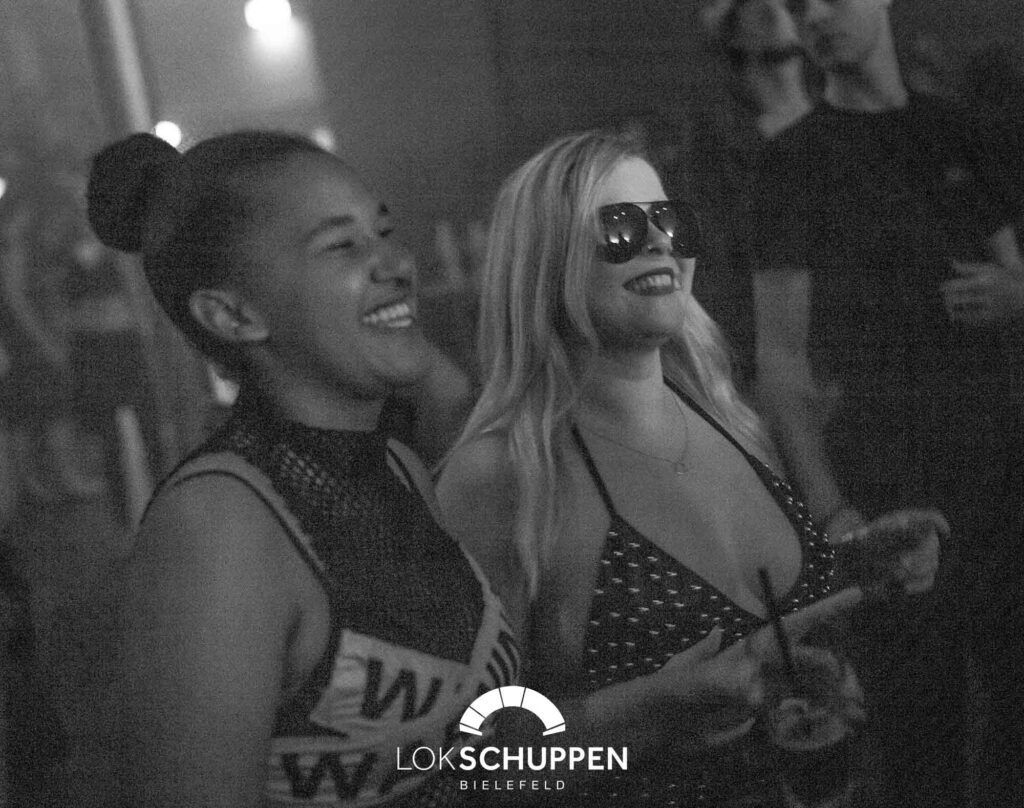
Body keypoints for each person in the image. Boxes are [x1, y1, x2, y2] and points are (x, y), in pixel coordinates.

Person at [436, 129, 939, 806]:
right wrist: (653, 710)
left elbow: (753, 624)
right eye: (620, 226)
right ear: (546, 262)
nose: (659, 242)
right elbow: (467, 766)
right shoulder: (504, 473)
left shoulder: (721, 411)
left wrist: (850, 566)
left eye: (671, 221)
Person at [85, 130, 519, 808]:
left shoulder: (396, 466)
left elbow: (466, 764)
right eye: (342, 246)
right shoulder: (221, 529)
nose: (396, 262)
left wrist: (651, 704)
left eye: (384, 232)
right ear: (232, 314)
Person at [749, 1, 1024, 805]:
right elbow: (780, 357)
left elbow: (1014, 269)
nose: (816, 17)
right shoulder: (792, 161)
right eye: (800, 6)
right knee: (917, 743)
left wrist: (1018, 294)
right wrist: (834, 513)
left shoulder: (957, 130)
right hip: (890, 492)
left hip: (1004, 481)